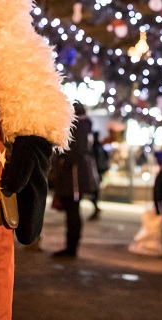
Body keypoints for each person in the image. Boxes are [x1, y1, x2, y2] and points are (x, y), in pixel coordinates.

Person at [52, 103, 97, 258]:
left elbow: (76, 151)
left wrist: (64, 160)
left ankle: (71, 248)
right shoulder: (84, 126)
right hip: (73, 175)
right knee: (72, 211)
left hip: (73, 176)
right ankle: (71, 246)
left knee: (72, 211)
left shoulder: (77, 126)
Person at [88, 129, 109, 220]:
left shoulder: (93, 148)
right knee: (95, 192)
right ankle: (96, 208)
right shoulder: (102, 148)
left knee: (92, 192)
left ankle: (96, 208)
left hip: (94, 173)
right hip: (100, 172)